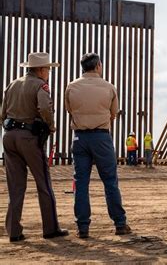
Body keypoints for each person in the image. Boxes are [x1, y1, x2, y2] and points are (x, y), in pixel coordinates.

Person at [1, 52, 68, 242]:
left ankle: (14, 231)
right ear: (40, 70)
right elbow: (45, 108)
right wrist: (51, 126)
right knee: (43, 183)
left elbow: (3, 111)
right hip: (29, 138)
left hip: (9, 136)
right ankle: (50, 228)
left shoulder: (12, 84)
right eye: (47, 69)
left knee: (15, 186)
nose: (48, 72)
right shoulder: (40, 85)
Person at [65, 53, 131, 238]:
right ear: (98, 66)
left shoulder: (71, 86)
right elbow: (114, 113)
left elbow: (69, 109)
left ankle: (83, 227)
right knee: (110, 181)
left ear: (82, 67)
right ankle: (120, 223)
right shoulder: (109, 87)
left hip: (79, 138)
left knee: (81, 183)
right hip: (101, 137)